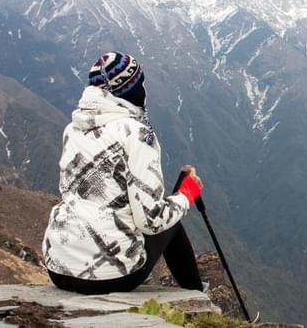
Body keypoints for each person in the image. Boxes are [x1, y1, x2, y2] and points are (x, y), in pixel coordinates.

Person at [42, 51, 204, 295]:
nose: (145, 90)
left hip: (57, 268)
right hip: (109, 277)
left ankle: (197, 296)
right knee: (171, 225)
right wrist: (186, 194)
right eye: (141, 83)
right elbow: (150, 220)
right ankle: (198, 297)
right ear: (130, 90)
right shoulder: (137, 135)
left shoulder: (72, 129)